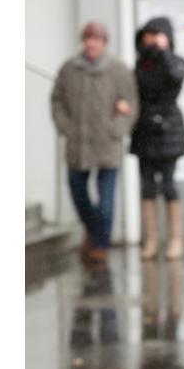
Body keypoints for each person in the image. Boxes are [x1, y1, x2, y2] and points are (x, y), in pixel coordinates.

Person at [51, 22, 138, 265]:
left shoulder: (119, 70)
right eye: (87, 38)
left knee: (106, 200)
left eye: (96, 39)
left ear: (104, 42)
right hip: (77, 144)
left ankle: (100, 244)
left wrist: (117, 129)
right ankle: (94, 230)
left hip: (107, 145)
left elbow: (131, 105)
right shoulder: (69, 69)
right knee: (78, 193)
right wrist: (65, 127)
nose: (91, 43)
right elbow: (57, 100)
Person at [131, 17, 184, 261]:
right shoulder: (139, 64)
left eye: (157, 34)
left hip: (169, 130)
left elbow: (175, 78)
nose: (151, 39)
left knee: (168, 183)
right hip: (144, 127)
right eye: (148, 34)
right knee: (146, 186)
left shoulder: (175, 61)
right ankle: (151, 239)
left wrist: (164, 50)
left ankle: (175, 239)